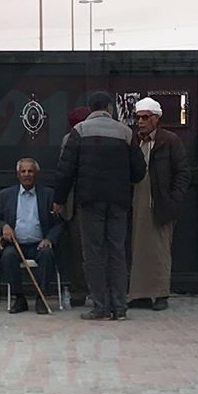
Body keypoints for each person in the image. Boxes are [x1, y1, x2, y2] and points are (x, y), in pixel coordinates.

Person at [54, 91, 146, 320]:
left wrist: (59, 199)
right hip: (118, 201)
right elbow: (139, 171)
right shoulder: (125, 132)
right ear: (109, 108)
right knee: (117, 251)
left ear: (91, 108)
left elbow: (65, 171)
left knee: (93, 253)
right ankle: (119, 306)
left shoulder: (79, 131)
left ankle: (101, 306)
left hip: (89, 201)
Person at [127, 97, 190, 311]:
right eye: (138, 117)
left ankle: (160, 293)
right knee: (138, 249)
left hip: (161, 203)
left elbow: (182, 173)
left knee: (160, 250)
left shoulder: (169, 141)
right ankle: (140, 294)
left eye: (145, 117)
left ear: (156, 119)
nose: (141, 122)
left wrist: (174, 199)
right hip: (138, 202)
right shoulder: (134, 141)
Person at [0, 158, 63, 314]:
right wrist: (4, 226)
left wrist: (49, 239)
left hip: (39, 244)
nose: (27, 174)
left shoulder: (48, 195)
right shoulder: (5, 195)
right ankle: (19, 298)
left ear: (36, 174)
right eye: (23, 171)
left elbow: (59, 223)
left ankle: (41, 298)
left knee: (47, 254)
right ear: (18, 174)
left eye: (30, 171)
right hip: (16, 244)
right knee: (7, 256)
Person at [59, 106, 91, 307]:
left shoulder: (69, 139)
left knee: (78, 251)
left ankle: (79, 292)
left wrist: (60, 200)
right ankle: (100, 292)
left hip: (76, 203)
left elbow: (64, 171)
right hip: (96, 203)